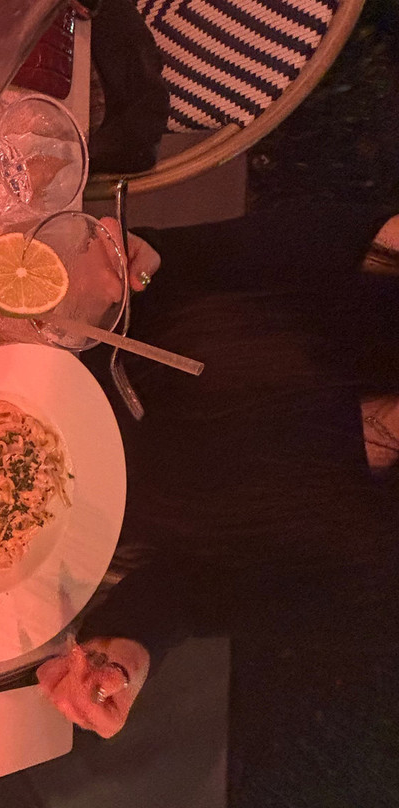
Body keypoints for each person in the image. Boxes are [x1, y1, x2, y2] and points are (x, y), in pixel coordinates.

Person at [33, 200, 399, 805]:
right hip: (44, 340)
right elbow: (176, 263)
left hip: (38, 531)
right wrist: (131, 263)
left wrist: (124, 654)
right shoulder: (385, 256)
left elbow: (193, 594)